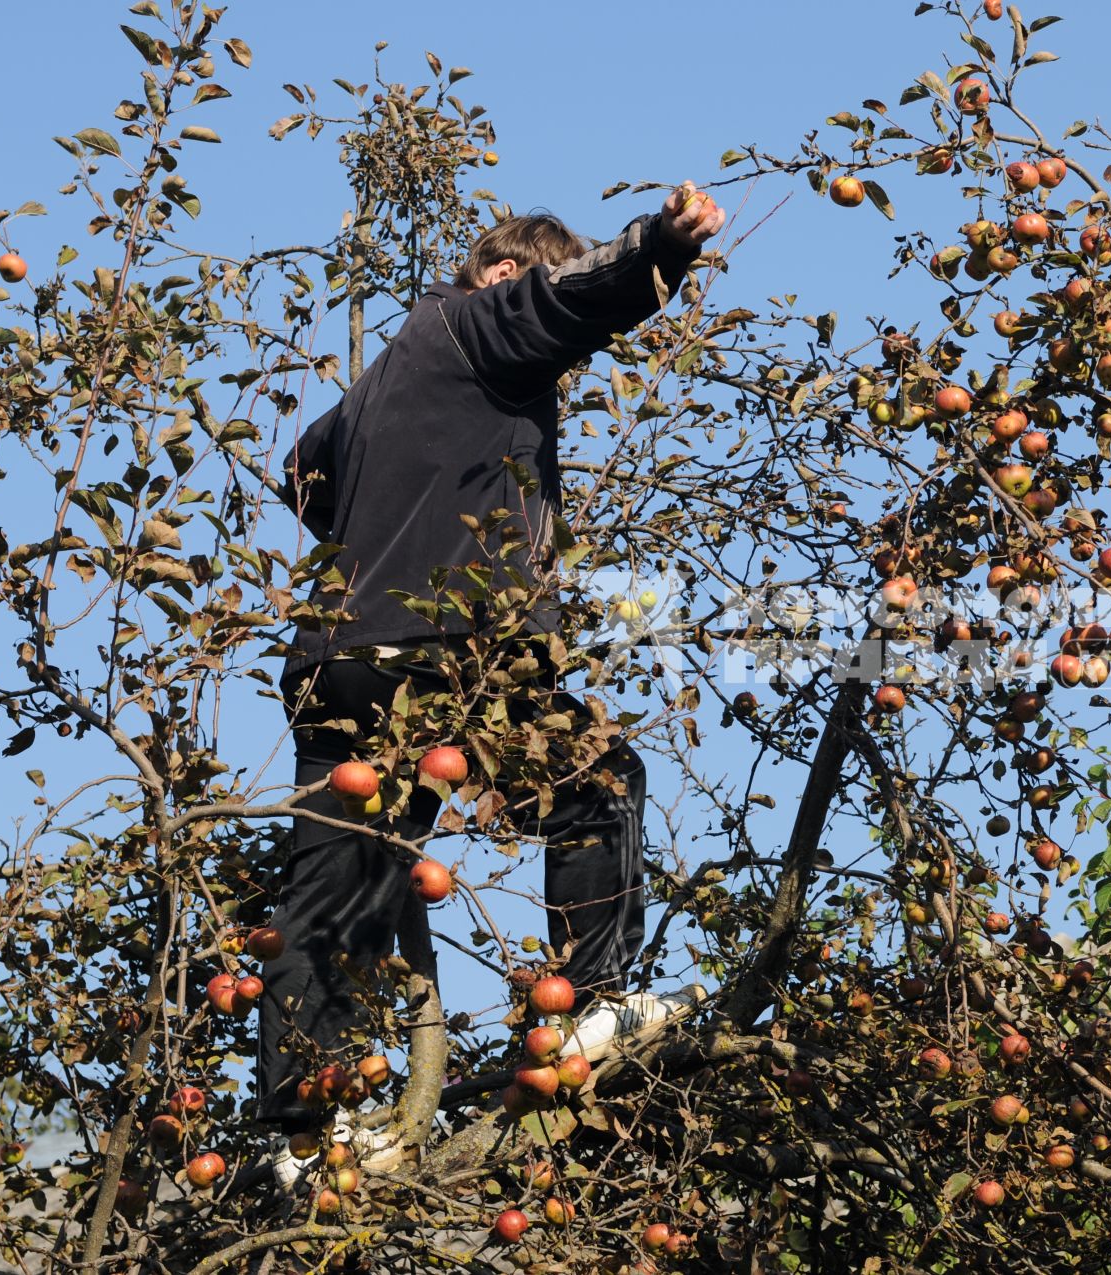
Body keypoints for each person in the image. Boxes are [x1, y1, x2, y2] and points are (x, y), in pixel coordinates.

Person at [261, 185, 726, 1187]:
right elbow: (570, 300)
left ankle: (308, 1134)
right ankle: (589, 1004)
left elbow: (301, 470)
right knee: (600, 778)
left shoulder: (395, 370)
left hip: (341, 657)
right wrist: (660, 245)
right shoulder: (478, 321)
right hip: (448, 653)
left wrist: (380, 529)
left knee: (338, 891)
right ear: (504, 275)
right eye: (530, 285)